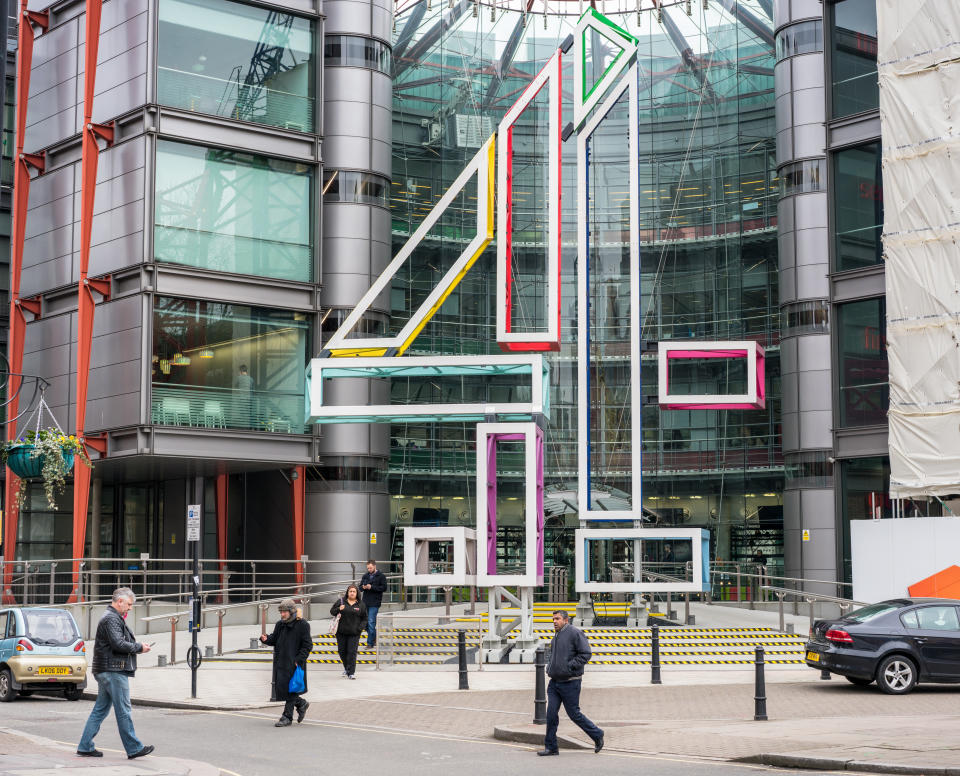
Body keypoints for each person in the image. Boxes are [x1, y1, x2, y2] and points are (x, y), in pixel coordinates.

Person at [77, 587, 154, 759]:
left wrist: (138, 647)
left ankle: (85, 746)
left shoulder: (111, 617)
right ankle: (134, 748)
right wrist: (139, 647)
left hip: (107, 669)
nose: (130, 608)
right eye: (128, 604)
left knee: (100, 709)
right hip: (113, 670)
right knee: (124, 709)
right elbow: (118, 644)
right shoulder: (111, 618)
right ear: (119, 601)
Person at [537, 610, 604, 757]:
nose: (554, 621)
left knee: (574, 714)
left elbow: (586, 654)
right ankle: (551, 747)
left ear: (566, 620)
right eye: (553, 618)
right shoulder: (556, 636)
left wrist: (569, 666)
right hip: (555, 682)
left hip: (570, 682)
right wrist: (550, 668)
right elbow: (554, 656)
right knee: (551, 715)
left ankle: (597, 734)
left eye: (558, 619)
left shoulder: (575, 633)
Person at [260, 599, 311, 727]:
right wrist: (266, 639)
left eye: (284, 612)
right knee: (285, 689)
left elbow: (307, 645)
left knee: (291, 690)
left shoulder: (303, 625)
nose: (282, 614)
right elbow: (274, 639)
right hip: (282, 662)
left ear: (292, 611)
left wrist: (299, 660)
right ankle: (301, 703)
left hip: (294, 663)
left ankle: (287, 716)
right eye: (281, 612)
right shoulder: (280, 624)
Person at [330, 584, 366, 679]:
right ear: (347, 592)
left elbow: (365, 618)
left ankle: (351, 672)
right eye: (350, 591)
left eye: (354, 591)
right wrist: (339, 609)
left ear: (357, 593)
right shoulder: (341, 602)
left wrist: (360, 628)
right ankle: (347, 668)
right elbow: (332, 611)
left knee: (352, 652)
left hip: (354, 633)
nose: (352, 593)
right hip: (341, 633)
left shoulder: (361, 604)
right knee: (342, 651)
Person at [360, 559, 387, 649]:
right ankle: (374, 637)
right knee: (364, 623)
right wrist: (363, 587)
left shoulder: (381, 576)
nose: (369, 570)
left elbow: (384, 588)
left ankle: (370, 643)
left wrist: (372, 587)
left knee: (371, 622)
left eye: (370, 568)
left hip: (375, 602)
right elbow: (360, 588)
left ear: (375, 566)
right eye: (368, 568)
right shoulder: (365, 576)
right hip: (365, 602)